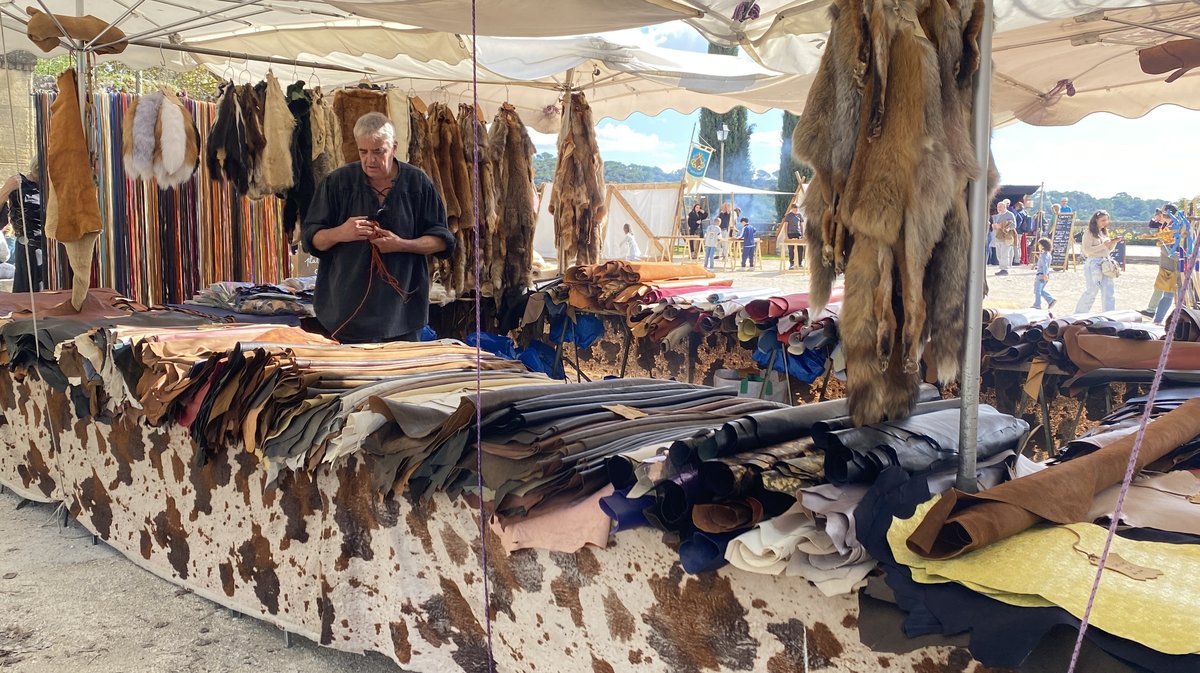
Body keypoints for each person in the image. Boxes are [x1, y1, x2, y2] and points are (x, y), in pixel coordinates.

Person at [302, 112, 455, 343]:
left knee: (400, 380)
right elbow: (312, 239)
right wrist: (341, 232)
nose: (370, 160)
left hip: (402, 315)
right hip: (346, 313)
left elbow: (443, 241)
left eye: (378, 151)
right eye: (363, 152)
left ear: (393, 147)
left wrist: (402, 244)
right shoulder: (337, 183)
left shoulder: (417, 183)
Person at [0, 157, 46, 292]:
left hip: (52, 249)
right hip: (28, 248)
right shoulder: (18, 182)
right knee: (28, 297)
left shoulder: (52, 187)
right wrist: (6, 190)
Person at [1073, 209, 1118, 314]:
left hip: (1106, 262)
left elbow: (1108, 249)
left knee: (1109, 290)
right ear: (1096, 220)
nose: (1105, 223)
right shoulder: (1089, 233)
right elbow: (1087, 250)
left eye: (1106, 220)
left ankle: (1109, 314)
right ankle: (1079, 314)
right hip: (1094, 263)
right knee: (1092, 291)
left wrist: (1113, 242)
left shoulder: (1103, 232)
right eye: (1103, 220)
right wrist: (1104, 245)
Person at [990, 199, 1017, 276]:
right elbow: (994, 226)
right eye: (998, 207)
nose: (998, 208)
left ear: (1004, 207)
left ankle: (1005, 269)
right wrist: (994, 226)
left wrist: (1004, 227)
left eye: (1000, 207)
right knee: (999, 254)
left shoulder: (1010, 214)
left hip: (1006, 237)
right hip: (998, 237)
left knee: (1004, 254)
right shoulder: (997, 216)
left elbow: (1014, 225)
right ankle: (1002, 268)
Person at [1032, 238, 1056, 310]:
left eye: (1039, 245)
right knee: (1040, 290)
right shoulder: (1048, 254)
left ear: (1043, 246)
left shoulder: (1043, 255)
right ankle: (1050, 300)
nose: (1038, 246)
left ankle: (1037, 304)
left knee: (1037, 290)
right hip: (1045, 274)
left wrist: (1045, 274)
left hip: (1041, 274)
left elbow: (1045, 266)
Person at [783, 203, 805, 269]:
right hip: (790, 233)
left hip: (798, 233)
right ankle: (791, 263)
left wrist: (802, 234)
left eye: (797, 208)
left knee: (800, 248)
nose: (796, 210)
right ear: (792, 208)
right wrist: (786, 235)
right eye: (794, 208)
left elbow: (801, 225)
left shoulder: (799, 215)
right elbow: (786, 226)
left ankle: (800, 263)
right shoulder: (788, 216)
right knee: (791, 249)